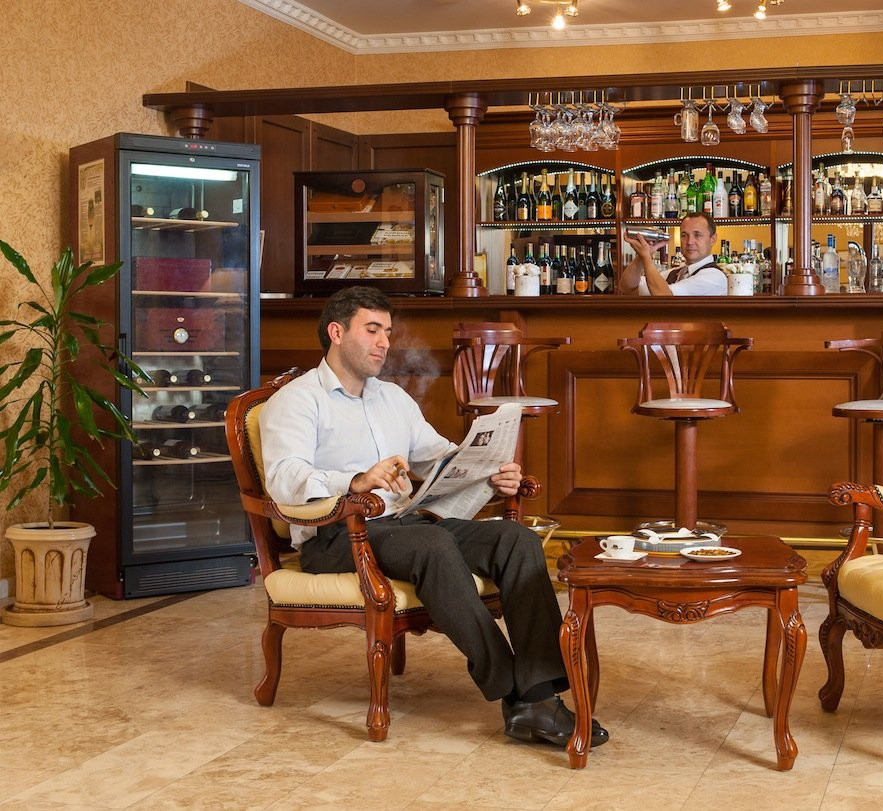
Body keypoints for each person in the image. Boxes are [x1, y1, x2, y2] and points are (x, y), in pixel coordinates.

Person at [258, 286, 607, 748]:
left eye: (387, 331)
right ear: (336, 333)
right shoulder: (298, 400)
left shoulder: (391, 398)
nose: (384, 342)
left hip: (403, 526)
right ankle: (516, 691)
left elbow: (439, 456)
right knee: (434, 544)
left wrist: (490, 471)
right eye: (372, 330)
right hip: (335, 536)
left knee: (515, 540)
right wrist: (357, 481)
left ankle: (539, 695)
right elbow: (283, 479)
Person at [618, 211, 728, 296]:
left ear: (713, 239)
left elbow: (664, 297)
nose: (689, 242)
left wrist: (646, 257)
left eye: (697, 235)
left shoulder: (714, 276)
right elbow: (627, 288)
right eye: (684, 235)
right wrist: (641, 258)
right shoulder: (675, 273)